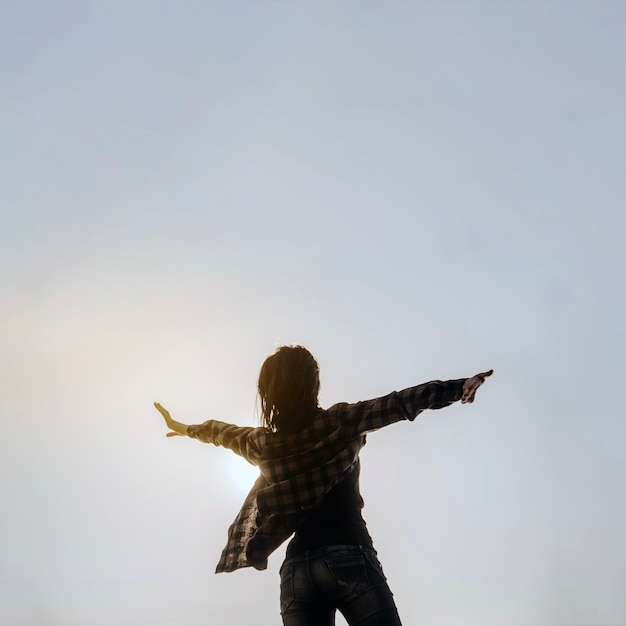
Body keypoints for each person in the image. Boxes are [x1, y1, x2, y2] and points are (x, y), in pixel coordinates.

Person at [154, 345, 493, 626]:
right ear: (313, 385)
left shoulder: (262, 445)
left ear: (267, 393)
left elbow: (221, 432)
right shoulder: (340, 422)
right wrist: (456, 387)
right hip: (348, 553)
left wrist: (184, 428)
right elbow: (397, 403)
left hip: (297, 573)